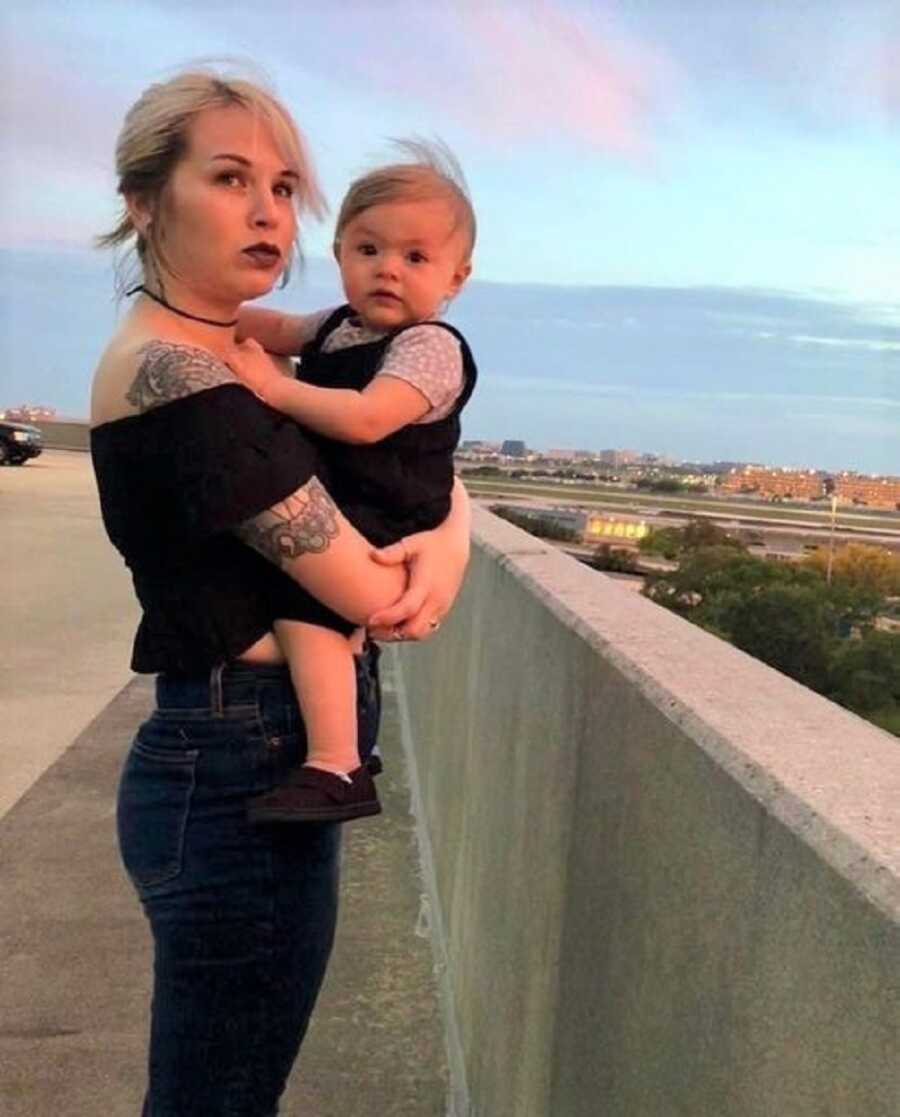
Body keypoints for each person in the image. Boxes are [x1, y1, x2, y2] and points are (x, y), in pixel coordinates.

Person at [90, 69, 471, 1115]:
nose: (268, 212)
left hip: (244, 752)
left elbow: (408, 460)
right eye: (227, 177)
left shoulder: (237, 354)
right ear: (144, 201)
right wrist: (441, 547)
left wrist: (454, 529)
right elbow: (364, 580)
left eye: (285, 185)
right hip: (236, 770)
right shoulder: (181, 374)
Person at [231, 145, 477, 824]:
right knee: (322, 619)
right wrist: (216, 316)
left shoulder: (430, 346)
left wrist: (272, 387)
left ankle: (336, 764)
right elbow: (278, 326)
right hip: (355, 499)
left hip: (391, 505)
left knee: (303, 607)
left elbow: (369, 420)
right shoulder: (341, 327)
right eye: (368, 249)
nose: (388, 269)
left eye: (415, 258)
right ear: (340, 255)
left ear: (456, 277)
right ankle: (346, 739)